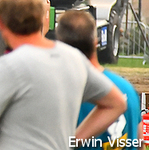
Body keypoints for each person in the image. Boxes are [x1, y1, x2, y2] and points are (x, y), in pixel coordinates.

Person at [0, 0, 126, 150]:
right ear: (43, 17)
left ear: (0, 21)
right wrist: (73, 140)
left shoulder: (10, 66)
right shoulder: (73, 58)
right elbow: (117, 103)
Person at [56, 10, 142, 150]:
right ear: (95, 42)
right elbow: (140, 143)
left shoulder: (67, 94)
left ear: (61, 46)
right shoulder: (127, 89)